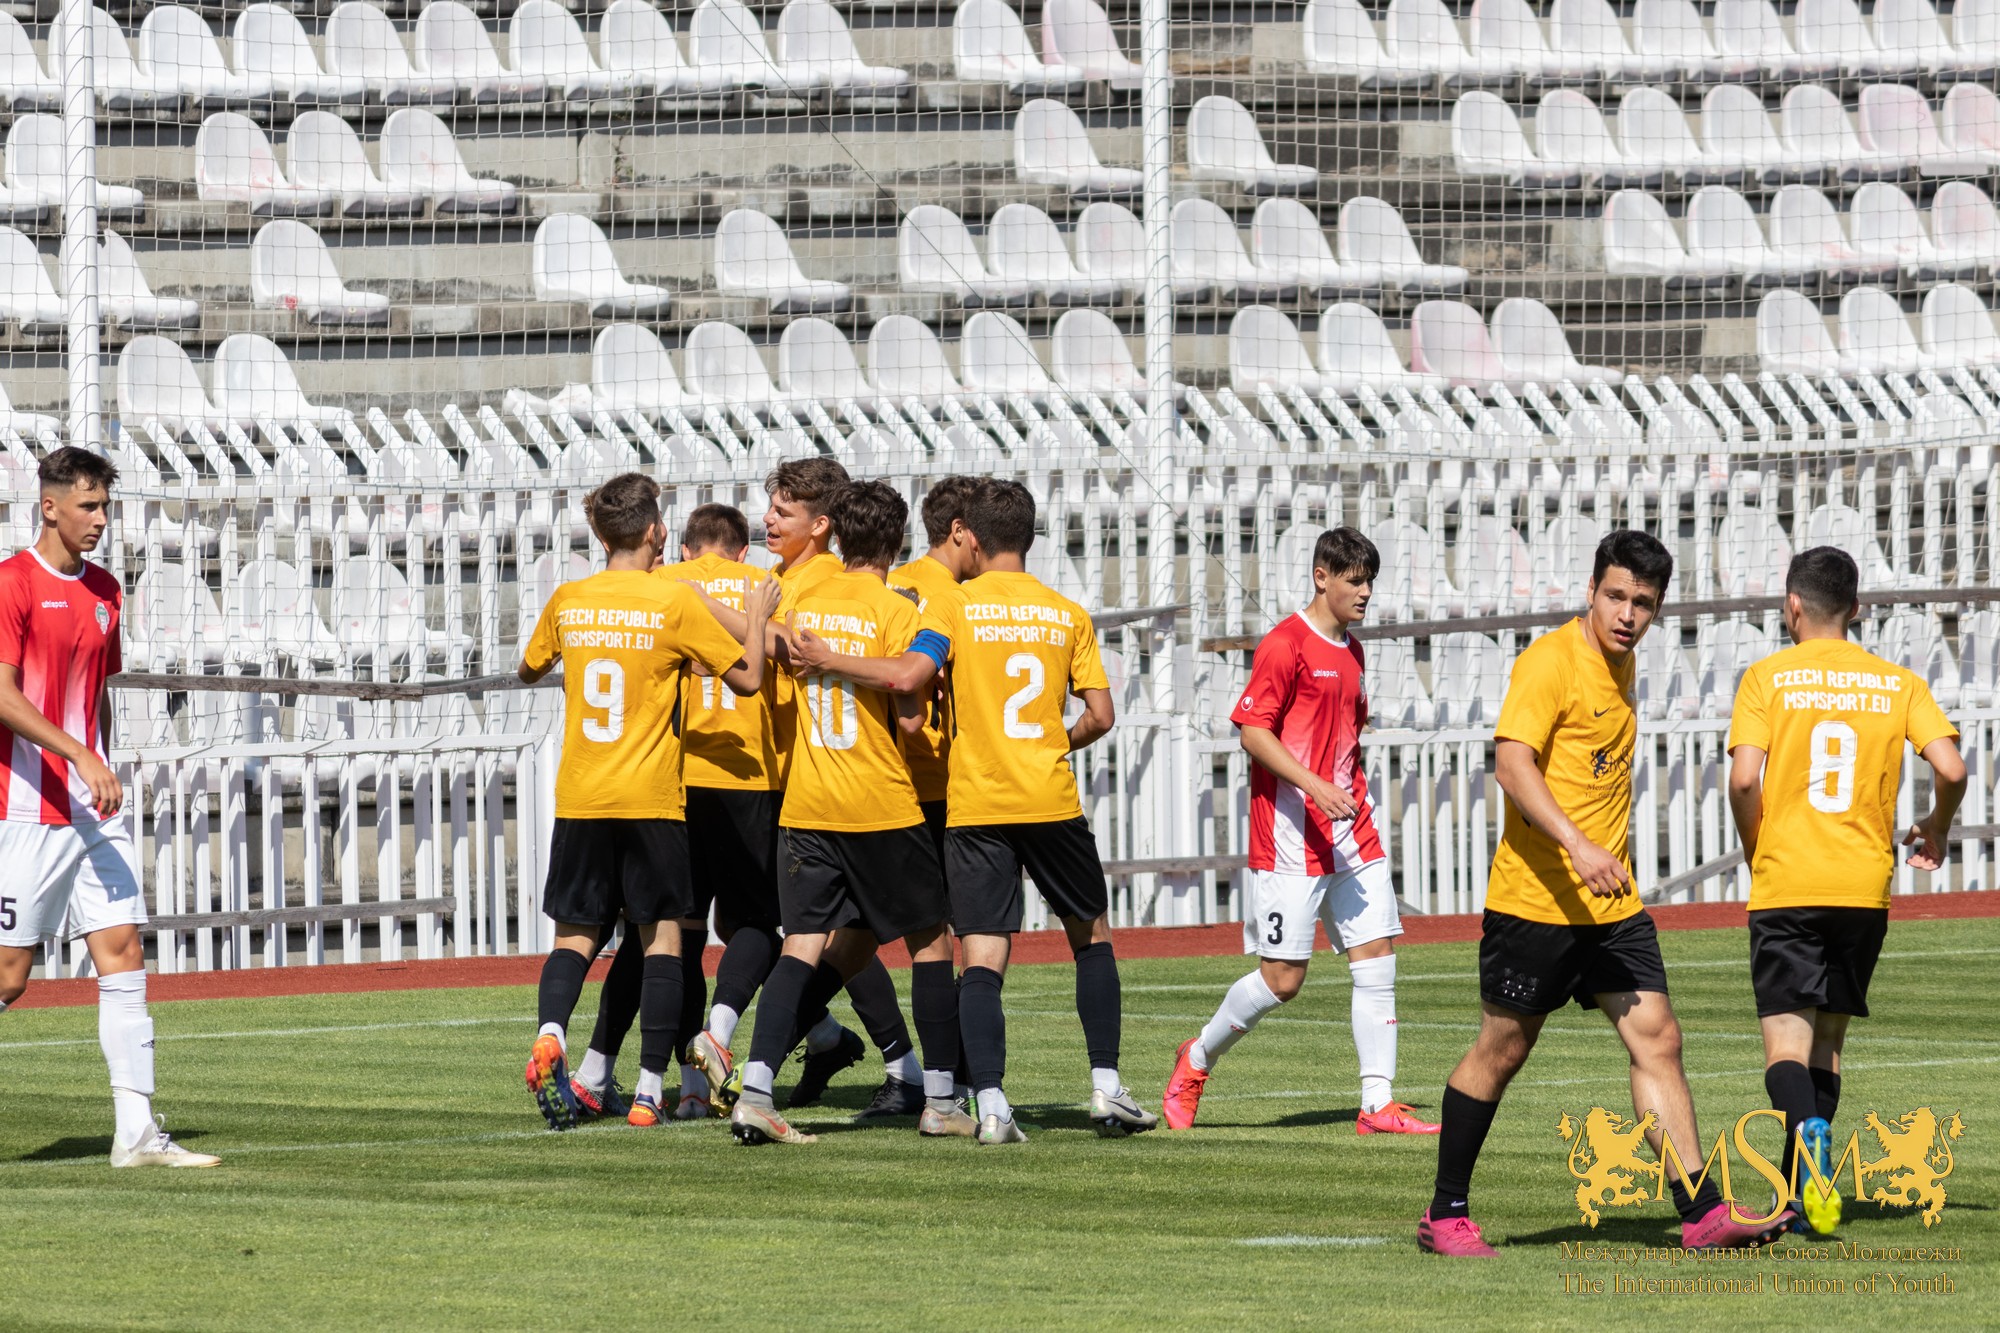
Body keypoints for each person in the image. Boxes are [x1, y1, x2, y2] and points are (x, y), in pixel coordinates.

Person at [1420, 530, 1789, 1256]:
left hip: (1612, 907)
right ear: (1591, 591)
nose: (1626, 614)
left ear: (1658, 608)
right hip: (1537, 902)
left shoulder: (1622, 662)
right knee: (1503, 1048)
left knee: (1660, 1038)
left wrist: (1599, 856)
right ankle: (1445, 1212)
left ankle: (1701, 1211)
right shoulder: (1550, 661)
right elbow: (1513, 764)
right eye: (1615, 596)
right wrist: (1578, 844)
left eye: (1642, 603)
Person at [796, 479, 1153, 1144]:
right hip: (1048, 798)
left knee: (982, 955)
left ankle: (989, 1104)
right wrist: (1056, 741)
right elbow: (1102, 715)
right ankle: (1107, 1087)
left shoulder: (954, 606)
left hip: (975, 804)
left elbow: (910, 675)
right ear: (1029, 538)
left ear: (974, 539)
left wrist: (828, 658)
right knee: (1092, 938)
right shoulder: (1066, 613)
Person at [519, 473, 776, 1130]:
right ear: (657, 532)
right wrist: (753, 619)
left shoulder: (570, 598)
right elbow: (748, 678)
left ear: (600, 534)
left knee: (576, 936)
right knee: (663, 938)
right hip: (652, 797)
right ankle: (646, 1093)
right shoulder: (672, 600)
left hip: (583, 793)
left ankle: (551, 1034)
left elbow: (528, 667)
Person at [1160, 528, 1437, 1135]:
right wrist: (1315, 786)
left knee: (1377, 959)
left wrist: (1343, 791)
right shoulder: (1284, 645)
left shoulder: (1354, 650)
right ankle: (1197, 1057)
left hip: (1352, 832)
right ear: (1321, 577)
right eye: (1354, 581)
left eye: (1370, 582)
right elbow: (1253, 733)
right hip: (1290, 836)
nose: (1365, 593)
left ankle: (1377, 1105)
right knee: (1283, 980)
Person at [1726, 546, 1964, 1235]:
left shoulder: (1767, 677)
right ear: (1856, 609)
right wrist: (1937, 827)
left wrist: (1759, 849)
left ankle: (1808, 1137)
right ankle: (1803, 1202)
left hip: (1789, 881)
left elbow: (1743, 780)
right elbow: (1952, 768)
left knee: (1785, 1048)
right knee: (1827, 1045)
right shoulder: (1898, 682)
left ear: (1792, 606)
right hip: (1862, 886)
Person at [681, 459, 928, 1118]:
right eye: (771, 508)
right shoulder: (789, 577)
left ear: (822, 526)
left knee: (825, 932)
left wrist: (704, 606)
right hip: (801, 782)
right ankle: (866, 1055)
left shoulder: (818, 584)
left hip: (808, 784)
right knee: (832, 933)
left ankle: (743, 1047)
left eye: (783, 511)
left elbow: (785, 646)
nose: (767, 519)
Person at [0, 447, 219, 1168]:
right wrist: (79, 754)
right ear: (50, 506)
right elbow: (2, 695)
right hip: (27, 808)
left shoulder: (105, 590)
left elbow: (95, 693)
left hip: (93, 809)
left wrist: (98, 760)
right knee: (9, 976)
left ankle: (137, 1134)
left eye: (105, 506)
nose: (99, 519)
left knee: (122, 951)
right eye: (87, 506)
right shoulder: (11, 583)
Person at [726, 480, 963, 1146]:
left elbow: (770, 649)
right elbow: (911, 718)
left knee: (802, 946)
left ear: (838, 534)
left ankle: (756, 1092)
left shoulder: (805, 603)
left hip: (806, 804)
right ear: (896, 542)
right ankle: (940, 1098)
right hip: (879, 804)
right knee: (931, 943)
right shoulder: (896, 610)